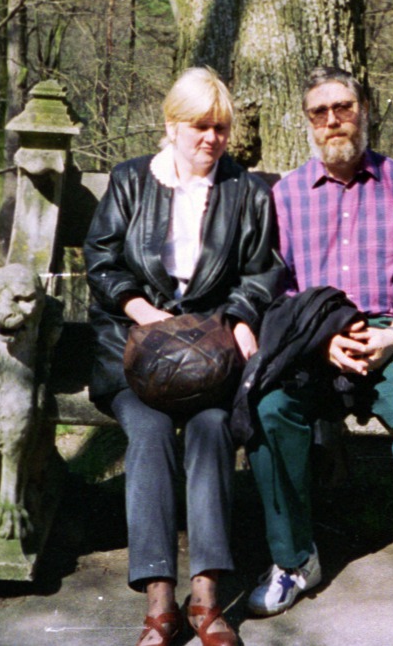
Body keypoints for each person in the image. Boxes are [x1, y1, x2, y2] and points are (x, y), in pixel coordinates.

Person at [246, 66, 393, 646]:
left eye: (344, 107)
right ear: (308, 124)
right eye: (321, 112)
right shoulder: (286, 195)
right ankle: (295, 559)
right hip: (319, 343)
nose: (334, 120)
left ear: (364, 110)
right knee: (268, 409)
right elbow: (281, 290)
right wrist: (322, 339)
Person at [84, 67, 284, 646]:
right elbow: (101, 260)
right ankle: (158, 599)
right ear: (171, 126)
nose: (211, 140)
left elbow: (264, 269)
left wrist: (242, 316)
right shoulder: (129, 181)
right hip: (132, 353)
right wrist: (144, 313)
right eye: (199, 127)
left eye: (220, 128)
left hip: (208, 358)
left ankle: (206, 597)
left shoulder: (245, 191)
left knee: (214, 428)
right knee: (146, 433)